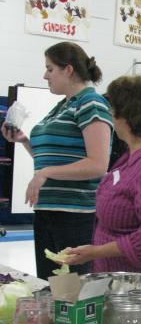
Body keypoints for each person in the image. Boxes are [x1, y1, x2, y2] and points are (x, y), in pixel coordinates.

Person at [1, 41, 112, 280]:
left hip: (75, 213)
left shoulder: (91, 104)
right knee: (50, 285)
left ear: (68, 69)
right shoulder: (63, 105)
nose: (45, 75)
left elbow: (98, 164)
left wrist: (45, 173)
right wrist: (25, 142)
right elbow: (54, 160)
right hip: (49, 210)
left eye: (50, 69)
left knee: (70, 288)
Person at [64, 75, 141, 282]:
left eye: (112, 111)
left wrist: (96, 252)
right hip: (126, 278)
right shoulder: (136, 155)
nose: (111, 117)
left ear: (127, 116)